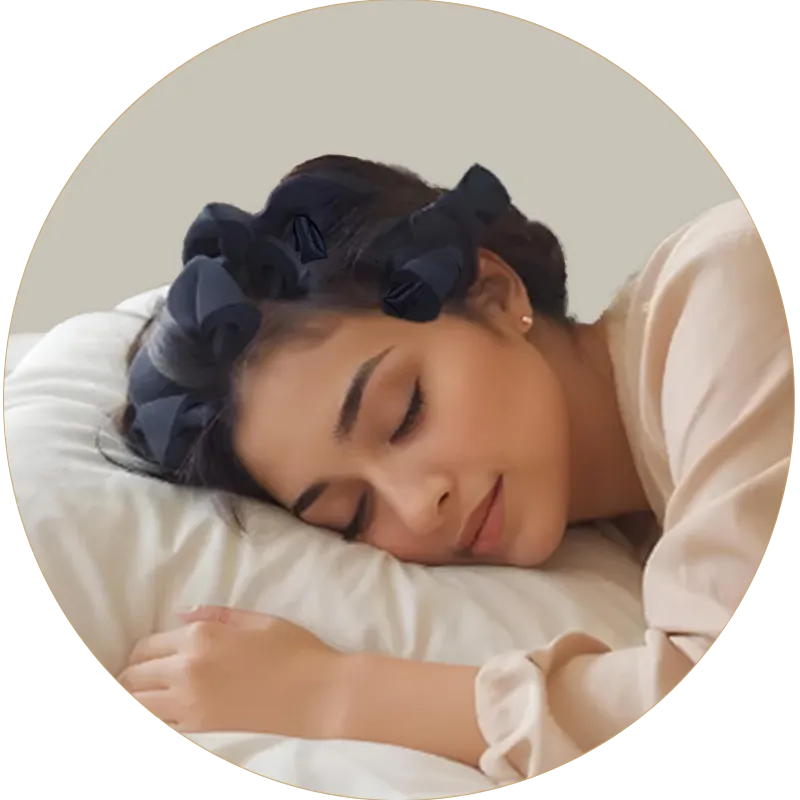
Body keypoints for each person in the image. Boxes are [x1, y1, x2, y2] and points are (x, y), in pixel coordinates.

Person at [114, 154, 798, 782]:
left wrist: (332, 693)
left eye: (404, 413)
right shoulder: (636, 525)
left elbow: (741, 708)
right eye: (352, 515)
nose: (418, 506)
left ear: (494, 293)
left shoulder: (738, 283)